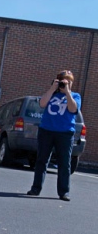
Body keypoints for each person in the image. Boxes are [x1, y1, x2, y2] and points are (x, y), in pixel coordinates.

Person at [27, 70, 81, 201]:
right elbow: (42, 104)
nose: (65, 83)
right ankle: (36, 188)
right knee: (41, 160)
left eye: (68, 81)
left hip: (65, 133)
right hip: (47, 131)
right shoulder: (52, 94)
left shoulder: (75, 95)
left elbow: (73, 109)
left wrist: (67, 92)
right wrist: (52, 88)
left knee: (64, 163)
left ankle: (64, 192)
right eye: (63, 81)